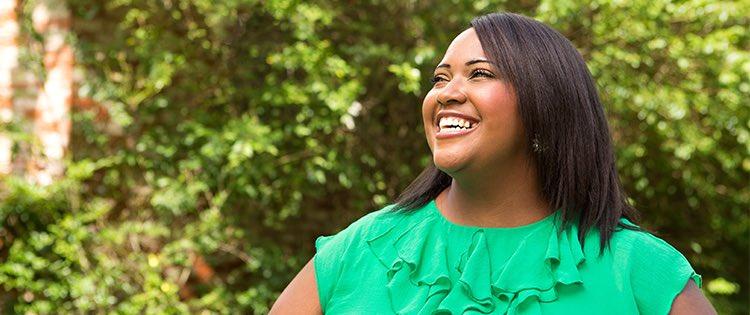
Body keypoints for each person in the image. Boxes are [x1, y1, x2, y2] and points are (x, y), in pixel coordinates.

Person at [270, 12, 716, 315]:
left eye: (480, 74)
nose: (446, 92)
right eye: (440, 78)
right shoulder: (358, 250)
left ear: (547, 105)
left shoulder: (640, 270)